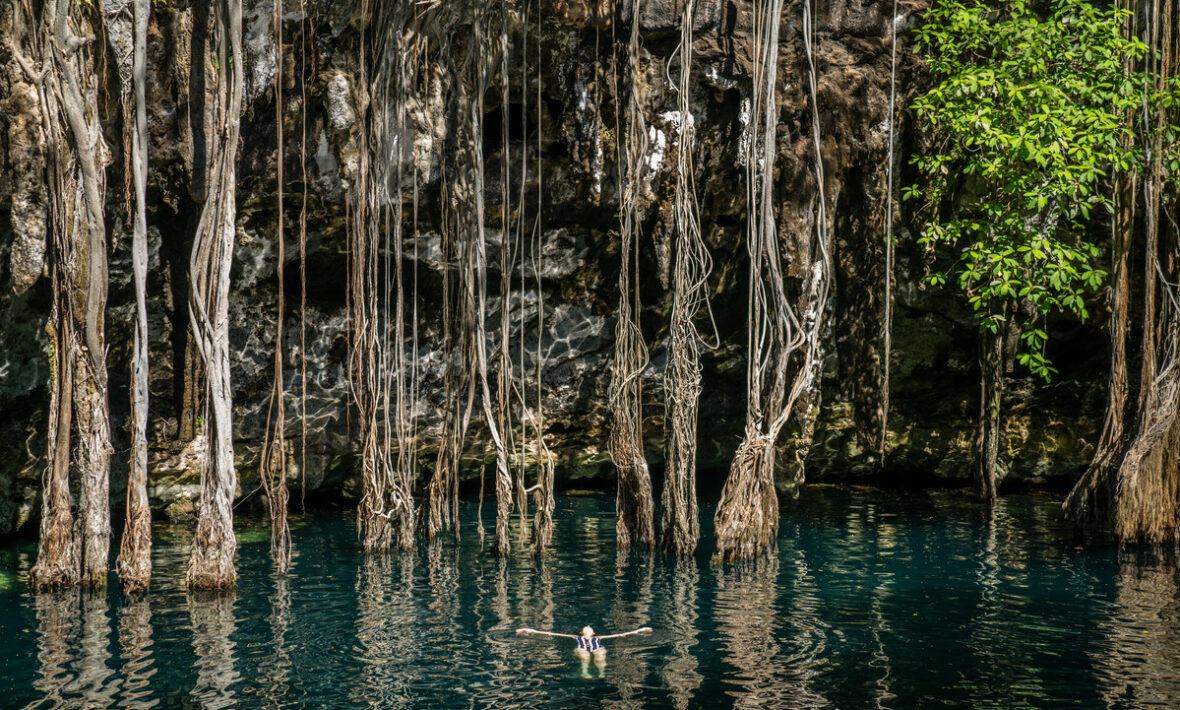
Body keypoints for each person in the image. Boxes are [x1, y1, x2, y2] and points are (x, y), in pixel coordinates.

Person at [515, 625, 652, 678]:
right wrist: (531, 630)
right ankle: (584, 671)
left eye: (590, 628)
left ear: (593, 632)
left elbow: (622, 634)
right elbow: (552, 633)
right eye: (586, 628)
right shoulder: (576, 637)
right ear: (582, 632)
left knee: (600, 657)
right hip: (581, 648)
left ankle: (601, 672)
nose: (589, 628)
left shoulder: (598, 637)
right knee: (585, 658)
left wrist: (639, 631)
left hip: (597, 647)